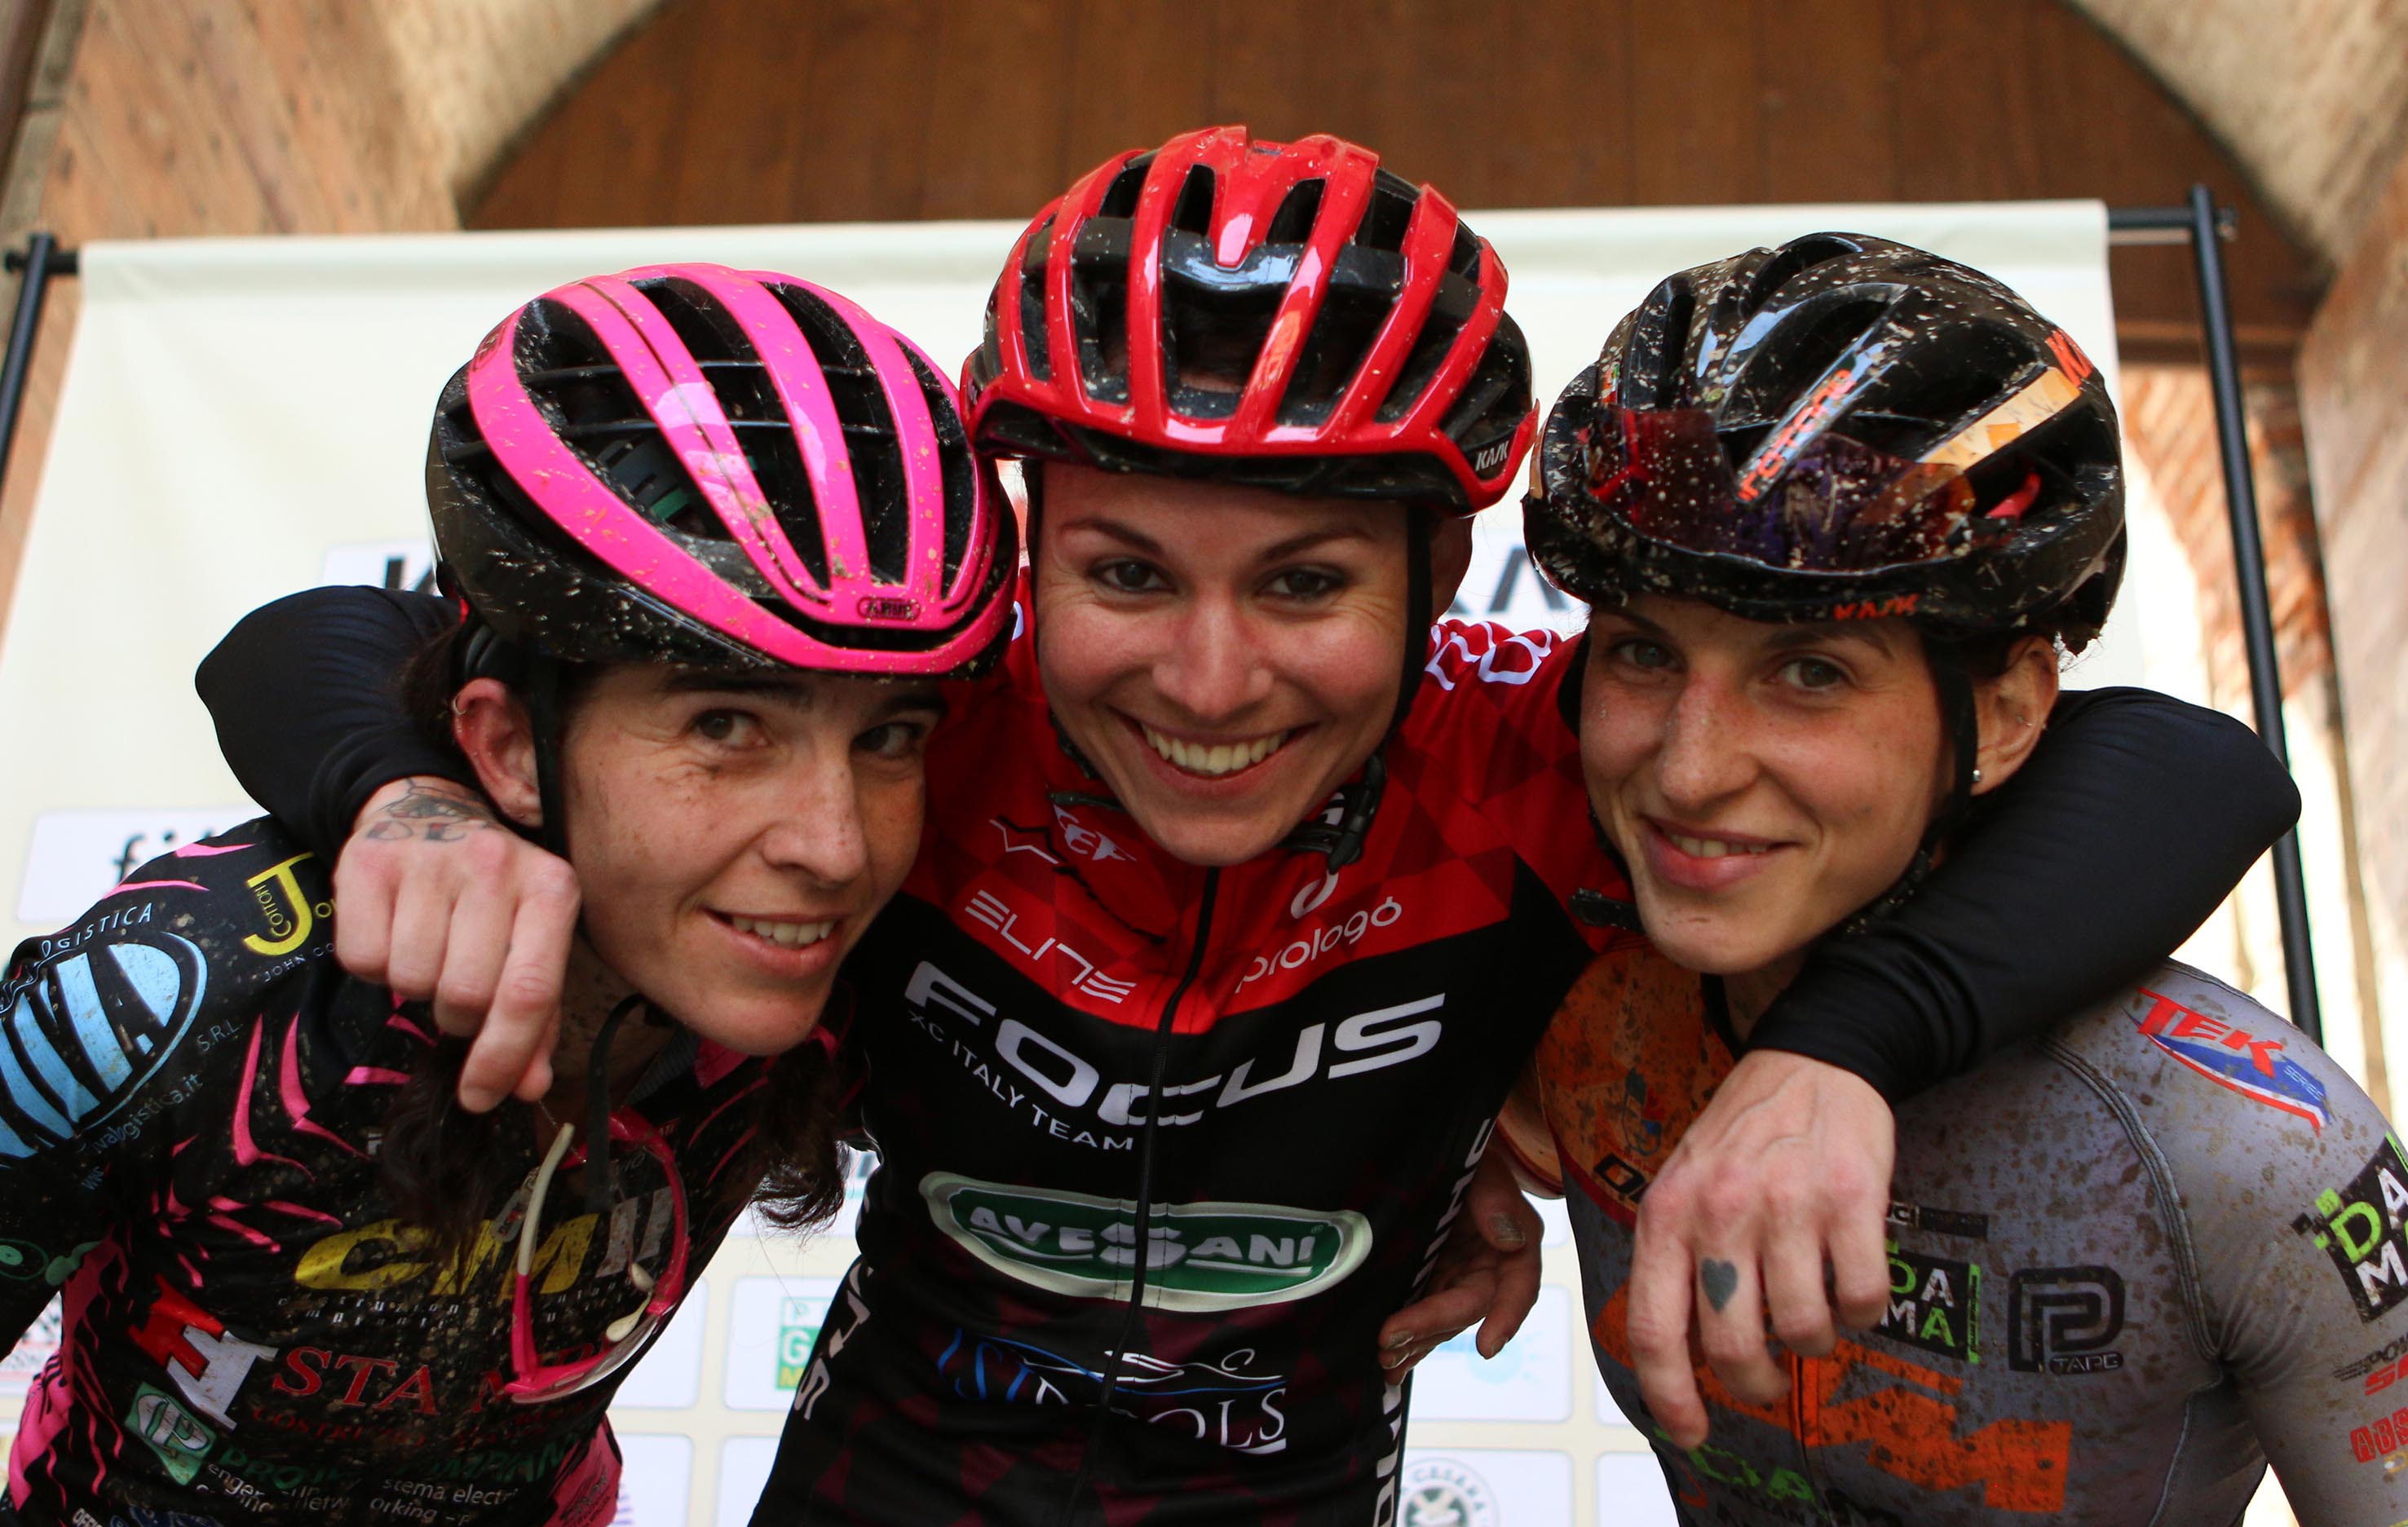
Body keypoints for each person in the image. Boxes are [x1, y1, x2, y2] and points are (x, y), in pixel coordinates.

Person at [187, 130, 2297, 1523]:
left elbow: (2184, 763)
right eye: (1124, 574)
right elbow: (321, 635)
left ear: (1437, 575)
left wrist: (1841, 1048)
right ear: (1026, 550)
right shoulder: (916, 731)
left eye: (1302, 585)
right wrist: (407, 800)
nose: (1207, 683)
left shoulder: (1537, 754)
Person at [0, 262, 1016, 1527]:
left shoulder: (851, 978)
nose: (835, 844)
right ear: (508, 744)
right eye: (726, 725)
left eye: (890, 735)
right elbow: (316, 639)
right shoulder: (177, 997)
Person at [1507, 232, 2386, 1523]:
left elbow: (2209, 766)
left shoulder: (2242, 1150)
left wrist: (1847, 1037)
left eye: (1809, 671)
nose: (1688, 772)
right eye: (1642, 651)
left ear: (2012, 710)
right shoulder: (1563, 1002)